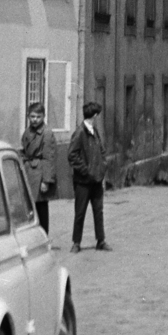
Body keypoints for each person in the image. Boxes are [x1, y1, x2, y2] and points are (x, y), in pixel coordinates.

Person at [67, 101, 111, 252]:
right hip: (83, 182)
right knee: (80, 212)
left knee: (98, 211)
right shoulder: (80, 133)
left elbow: (102, 151)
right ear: (94, 115)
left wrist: (102, 167)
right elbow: (72, 156)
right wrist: (86, 171)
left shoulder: (95, 131)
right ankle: (76, 242)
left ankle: (101, 240)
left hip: (96, 180)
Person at [19, 102, 50, 235]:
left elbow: (49, 158)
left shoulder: (47, 133)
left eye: (38, 116)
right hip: (28, 171)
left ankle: (44, 235)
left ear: (43, 116)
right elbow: (24, 149)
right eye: (32, 116)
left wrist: (46, 181)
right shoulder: (28, 131)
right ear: (28, 116)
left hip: (39, 173)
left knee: (41, 207)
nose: (35, 119)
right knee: (29, 206)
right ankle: (32, 234)